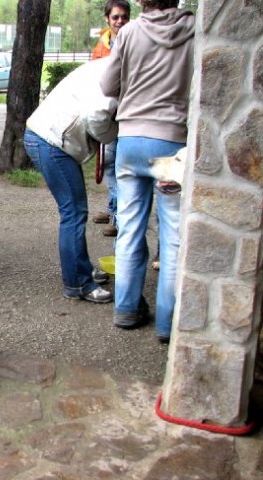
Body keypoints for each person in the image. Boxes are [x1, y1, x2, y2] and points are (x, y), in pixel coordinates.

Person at [100, 0, 194, 342]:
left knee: (128, 227)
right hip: (171, 143)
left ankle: (125, 309)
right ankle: (167, 325)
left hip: (130, 141)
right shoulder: (194, 31)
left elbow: (108, 86)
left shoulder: (130, 32)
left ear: (142, 1)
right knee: (171, 235)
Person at [24, 58, 118, 304]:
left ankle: (80, 270)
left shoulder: (107, 66)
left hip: (46, 137)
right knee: (74, 212)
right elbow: (98, 118)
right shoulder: (114, 73)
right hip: (51, 141)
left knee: (74, 211)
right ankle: (78, 283)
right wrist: (114, 133)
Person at [90, 0, 131, 237]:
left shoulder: (134, 41)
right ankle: (111, 207)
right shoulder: (102, 45)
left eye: (124, 17)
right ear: (107, 19)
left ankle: (116, 216)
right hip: (108, 113)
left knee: (117, 165)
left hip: (126, 114)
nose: (120, 21)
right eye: (115, 17)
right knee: (108, 163)